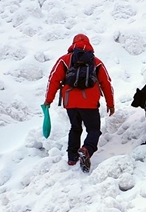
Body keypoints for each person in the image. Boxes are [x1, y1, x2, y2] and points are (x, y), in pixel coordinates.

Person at [44, 34, 115, 172]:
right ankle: (86, 149)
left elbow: (53, 80)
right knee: (93, 130)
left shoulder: (64, 60)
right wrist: (110, 104)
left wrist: (48, 100)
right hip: (90, 102)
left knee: (75, 128)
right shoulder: (96, 62)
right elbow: (106, 83)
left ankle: (72, 158)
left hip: (70, 102)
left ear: (73, 44)